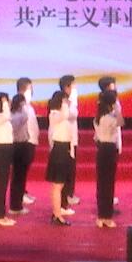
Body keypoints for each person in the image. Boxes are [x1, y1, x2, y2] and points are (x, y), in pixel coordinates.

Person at [94, 90, 124, 228]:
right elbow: (121, 122)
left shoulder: (98, 117)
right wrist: (117, 109)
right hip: (109, 149)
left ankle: (101, 216)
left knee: (101, 184)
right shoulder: (110, 118)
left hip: (101, 149)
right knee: (108, 184)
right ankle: (107, 216)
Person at [11, 77, 39, 212]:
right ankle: (17, 200)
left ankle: (22, 193)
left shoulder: (28, 106)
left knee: (23, 172)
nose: (31, 91)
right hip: (23, 143)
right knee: (19, 174)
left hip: (30, 141)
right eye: (29, 89)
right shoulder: (19, 106)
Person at [47, 90, 73, 226]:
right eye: (64, 100)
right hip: (59, 149)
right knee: (57, 185)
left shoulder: (61, 115)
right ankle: (57, 214)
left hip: (64, 149)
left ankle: (57, 212)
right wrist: (65, 104)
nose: (67, 103)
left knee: (60, 184)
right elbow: (65, 114)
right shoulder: (55, 114)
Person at [0, 92, 17, 226]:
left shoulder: (3, 118)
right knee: (1, 184)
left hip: (7, 150)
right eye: (6, 101)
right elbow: (7, 115)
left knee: (3, 183)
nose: (9, 102)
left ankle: (0, 213)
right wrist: (5, 102)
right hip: (2, 150)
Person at [58, 75, 80, 208]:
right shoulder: (63, 100)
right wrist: (72, 101)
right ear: (67, 87)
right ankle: (66, 196)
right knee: (68, 168)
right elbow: (71, 115)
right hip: (66, 138)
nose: (75, 88)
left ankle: (70, 193)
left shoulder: (71, 100)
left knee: (72, 168)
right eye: (73, 85)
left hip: (72, 137)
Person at [8, 93, 31, 215]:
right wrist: (24, 110)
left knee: (20, 177)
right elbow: (23, 119)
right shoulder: (17, 116)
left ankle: (18, 203)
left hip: (22, 144)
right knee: (18, 176)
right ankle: (15, 205)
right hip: (18, 145)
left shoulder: (17, 115)